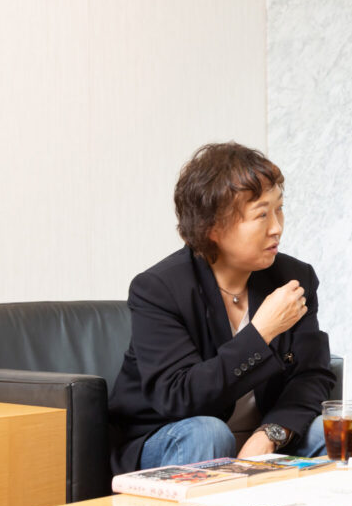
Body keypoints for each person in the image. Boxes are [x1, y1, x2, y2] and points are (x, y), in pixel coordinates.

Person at [108, 142, 336, 475]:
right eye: (261, 215)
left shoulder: (294, 278)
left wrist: (269, 435)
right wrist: (261, 332)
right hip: (172, 437)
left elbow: (312, 375)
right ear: (213, 228)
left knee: (330, 431)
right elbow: (180, 398)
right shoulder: (159, 289)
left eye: (279, 209)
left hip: (260, 438)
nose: (277, 227)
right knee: (209, 434)